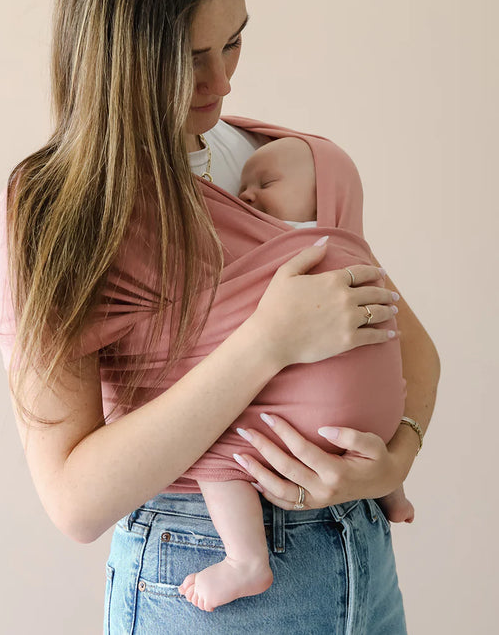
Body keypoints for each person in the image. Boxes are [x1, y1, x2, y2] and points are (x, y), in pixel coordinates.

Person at [0, 0, 440, 632]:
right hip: (204, 562)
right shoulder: (63, 208)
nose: (221, 83)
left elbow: (411, 345)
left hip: (361, 556)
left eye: (232, 43)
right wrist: (268, 341)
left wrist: (395, 459)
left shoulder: (278, 162)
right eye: (188, 59)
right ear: (116, 59)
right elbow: (73, 501)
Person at [171, 138, 419, 612]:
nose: (245, 195)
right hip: (375, 428)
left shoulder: (300, 247)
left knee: (220, 452)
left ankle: (245, 560)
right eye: (244, 184)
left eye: (266, 183)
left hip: (302, 437)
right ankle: (391, 492)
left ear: (327, 197)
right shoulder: (358, 257)